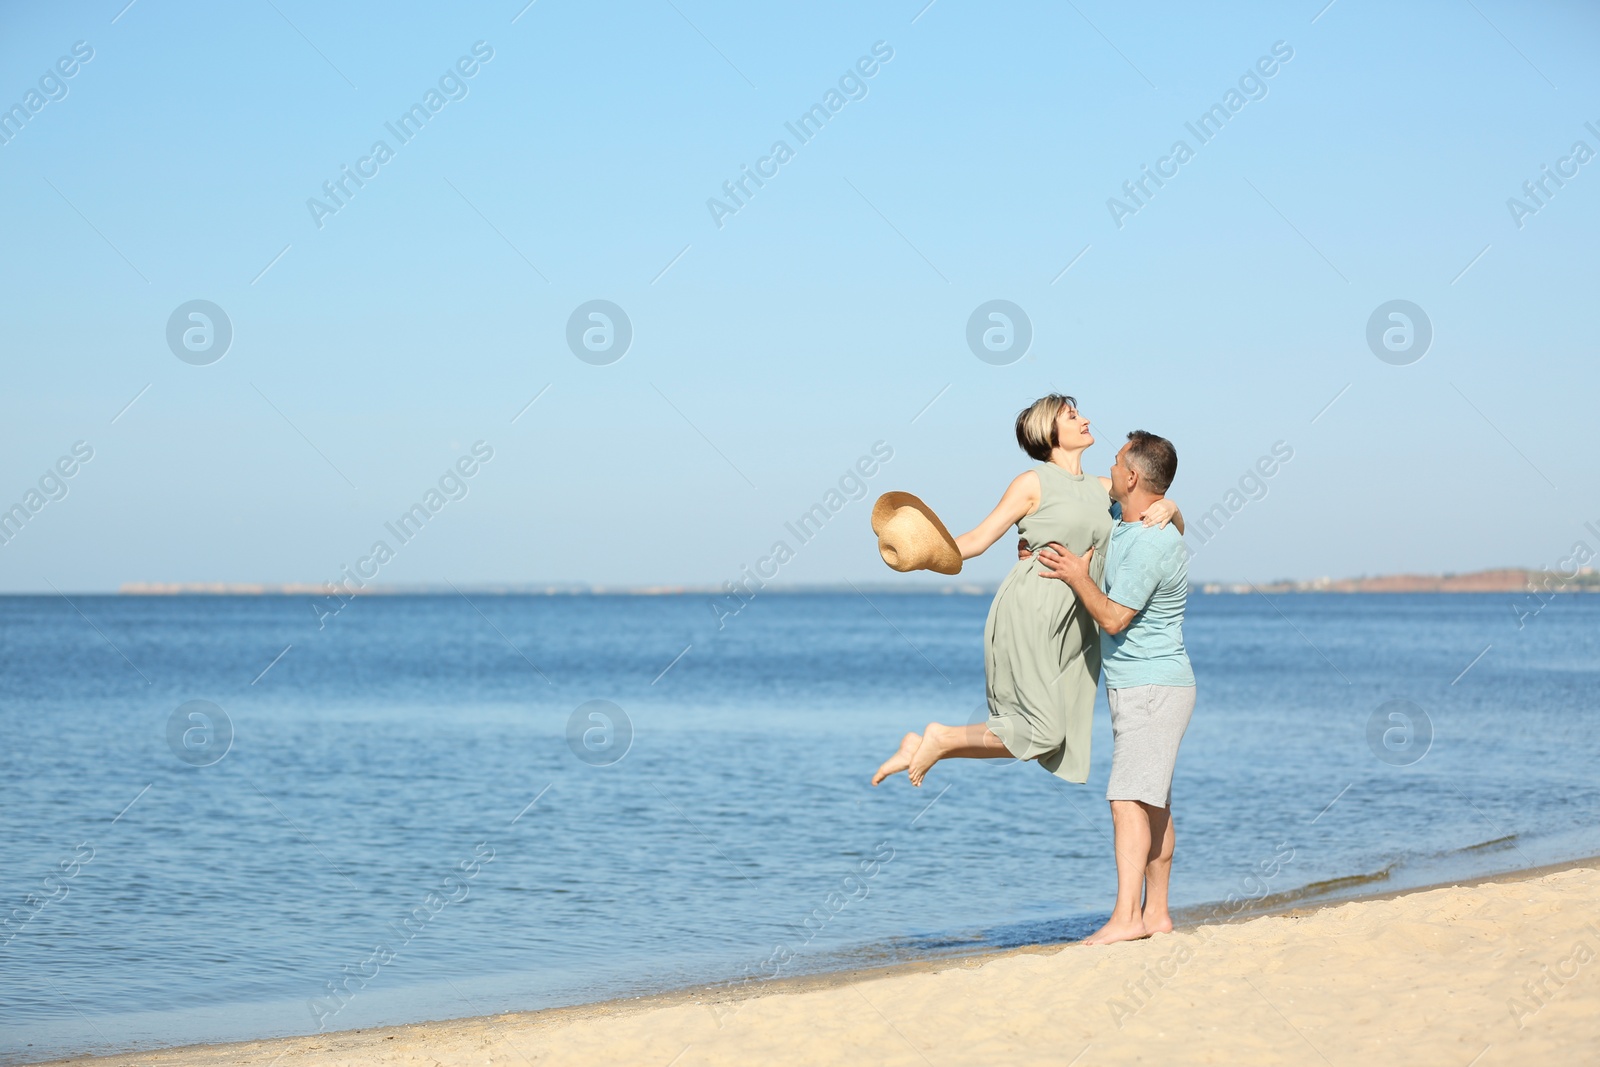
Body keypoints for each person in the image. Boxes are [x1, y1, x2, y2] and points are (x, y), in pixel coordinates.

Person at [871, 396, 1182, 789]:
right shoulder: (1032, 482)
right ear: (1050, 432)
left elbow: (1156, 525)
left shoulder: (1106, 489)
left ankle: (930, 741)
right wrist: (926, 551)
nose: (1086, 420)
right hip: (1032, 608)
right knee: (1042, 731)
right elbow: (979, 539)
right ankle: (939, 739)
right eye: (1073, 416)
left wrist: (1171, 507)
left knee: (1047, 733)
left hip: (1076, 624)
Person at [1036, 430, 1194, 945]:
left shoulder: (1151, 540)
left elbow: (1113, 618)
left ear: (1131, 477)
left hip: (1152, 687)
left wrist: (1076, 576)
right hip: (1145, 687)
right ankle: (1157, 916)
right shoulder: (1126, 521)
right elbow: (1084, 509)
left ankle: (1127, 918)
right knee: (1153, 804)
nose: (1110, 469)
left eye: (1117, 462)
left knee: (1127, 799)